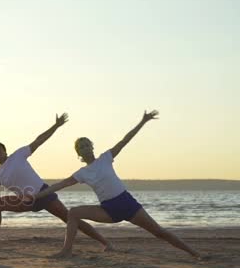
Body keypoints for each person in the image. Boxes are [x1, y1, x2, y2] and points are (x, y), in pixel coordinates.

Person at [31, 110, 201, 258]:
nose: (84, 147)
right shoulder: (82, 173)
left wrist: (143, 121)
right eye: (81, 147)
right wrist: (37, 195)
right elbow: (59, 185)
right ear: (78, 153)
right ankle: (66, 251)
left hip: (127, 204)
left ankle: (195, 253)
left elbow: (125, 140)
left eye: (86, 144)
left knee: (159, 232)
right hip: (108, 209)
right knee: (73, 213)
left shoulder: (106, 158)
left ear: (92, 146)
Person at [0, 113, 111, 252]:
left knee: (69, 217)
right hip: (26, 201)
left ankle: (104, 242)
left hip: (43, 193)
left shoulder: (18, 155)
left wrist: (56, 126)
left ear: (5, 150)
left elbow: (39, 140)